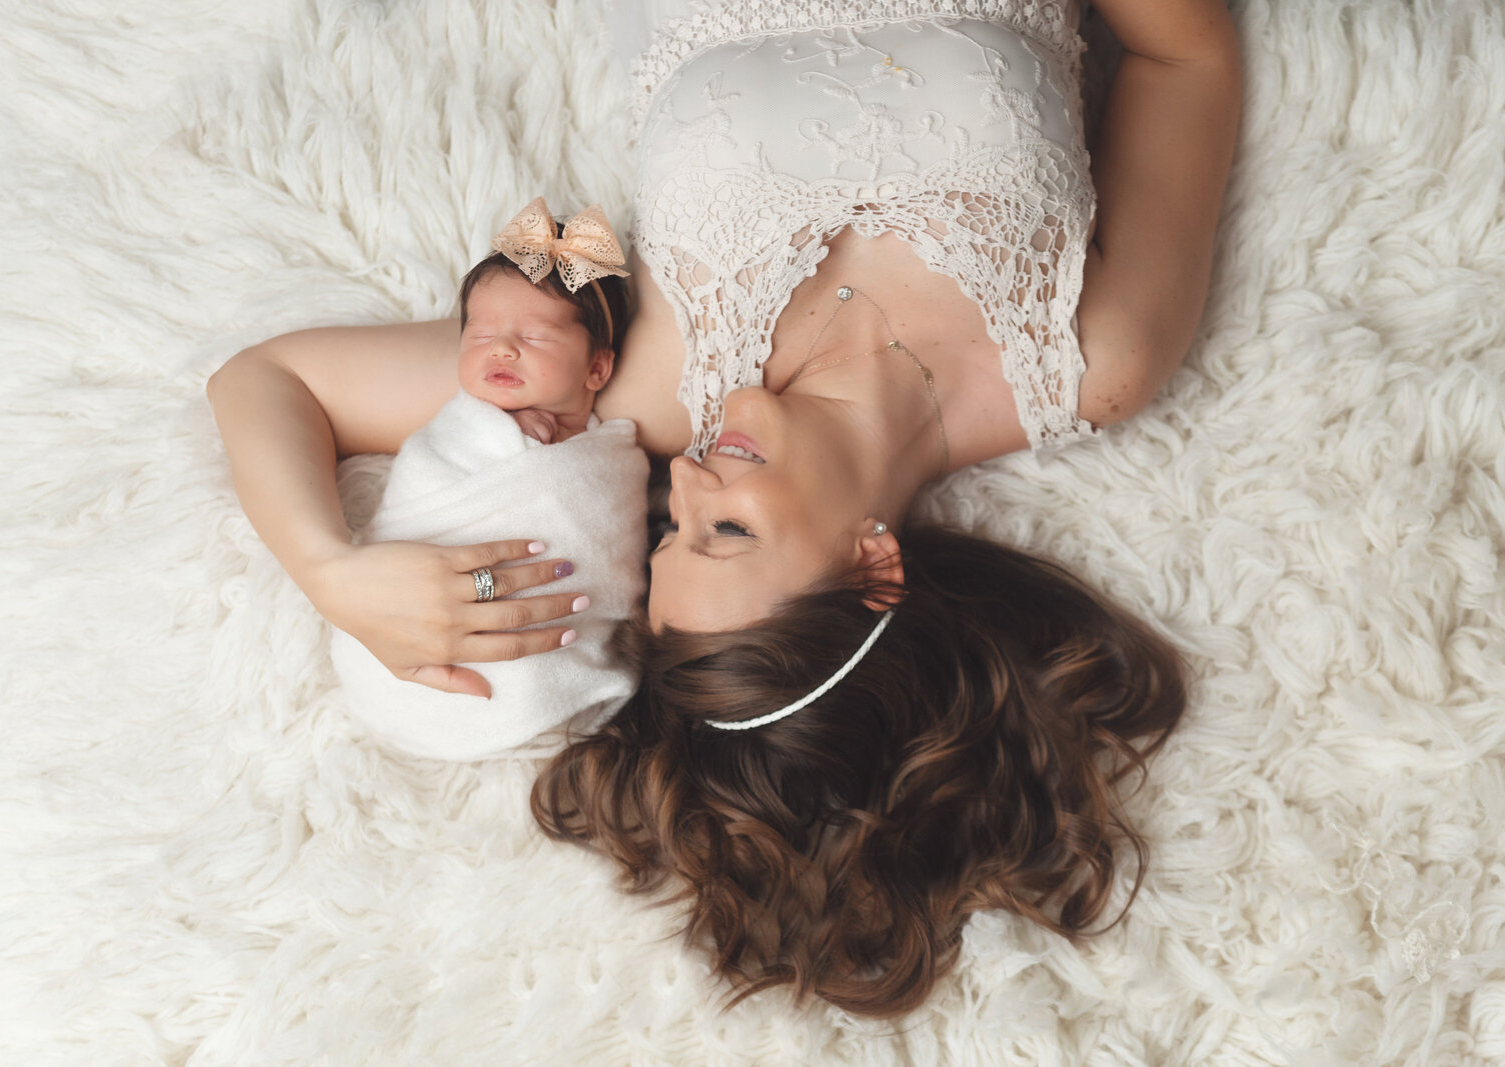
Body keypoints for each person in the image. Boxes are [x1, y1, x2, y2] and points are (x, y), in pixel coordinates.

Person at [207, 0, 1240, 1017]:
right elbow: (1181, 58)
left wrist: (329, 571)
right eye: (728, 531)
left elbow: (269, 381)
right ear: (872, 565)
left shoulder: (642, 387)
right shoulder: (1088, 358)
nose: (688, 480)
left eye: (669, 535)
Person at [328, 200, 650, 760]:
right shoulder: (459, 427)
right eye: (480, 334)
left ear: (597, 368)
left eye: (537, 335)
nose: (502, 347)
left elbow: (613, 559)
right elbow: (420, 492)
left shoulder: (615, 454)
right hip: (410, 637)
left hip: (561, 674)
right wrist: (498, 434)